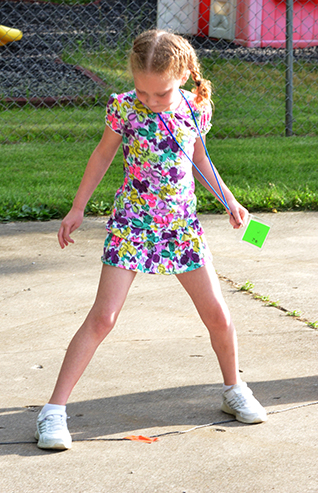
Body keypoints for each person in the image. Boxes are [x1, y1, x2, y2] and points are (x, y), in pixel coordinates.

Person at [35, 29, 267, 451]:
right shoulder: (125, 108)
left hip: (181, 226)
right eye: (143, 91)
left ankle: (234, 388)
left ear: (182, 74)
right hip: (132, 225)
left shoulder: (197, 107)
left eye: (159, 93)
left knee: (217, 313)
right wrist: (77, 207)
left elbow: (198, 160)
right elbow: (103, 154)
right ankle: (53, 411)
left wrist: (229, 200)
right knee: (103, 318)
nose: (150, 100)